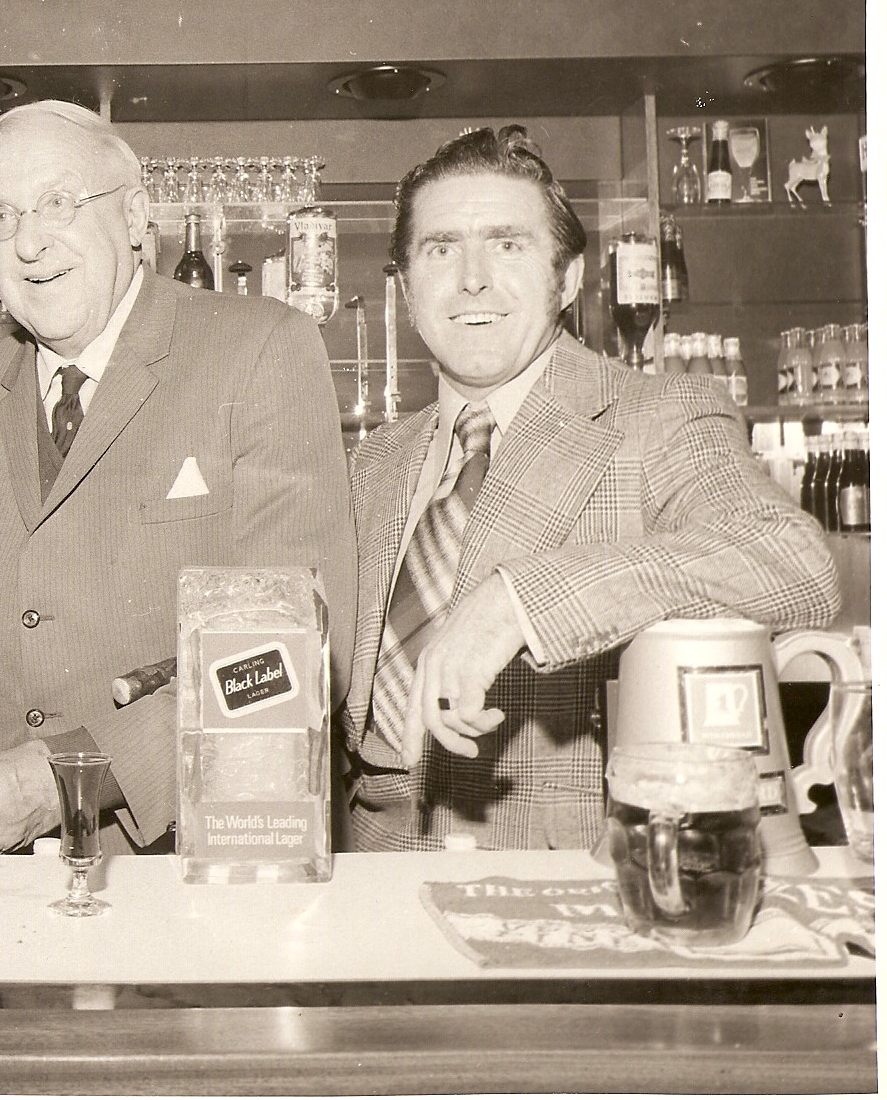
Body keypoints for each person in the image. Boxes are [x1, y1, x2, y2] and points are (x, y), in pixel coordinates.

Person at [0, 100, 357, 856]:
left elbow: (290, 655)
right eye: (3, 216)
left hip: (184, 869)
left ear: (139, 216)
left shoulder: (258, 350)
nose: (30, 242)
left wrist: (72, 774)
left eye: (57, 204)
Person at [343, 125, 839, 851]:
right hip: (366, 904)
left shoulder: (661, 415)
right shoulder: (374, 463)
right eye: (440, 247)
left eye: (508, 244)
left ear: (567, 280)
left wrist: (517, 603)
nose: (471, 277)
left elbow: (791, 560)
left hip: (565, 901)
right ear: (407, 285)